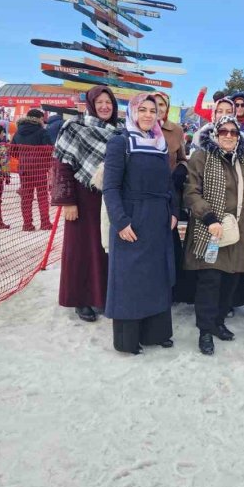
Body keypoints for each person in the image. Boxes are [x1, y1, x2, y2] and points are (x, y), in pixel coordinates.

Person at [102, 95, 178, 354]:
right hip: (132, 219)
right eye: (142, 110)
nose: (147, 115)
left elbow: (168, 183)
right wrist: (120, 221)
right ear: (133, 112)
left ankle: (155, 332)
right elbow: (110, 187)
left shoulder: (160, 143)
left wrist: (174, 211)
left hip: (158, 219)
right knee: (130, 279)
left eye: (152, 111)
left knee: (156, 277)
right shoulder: (119, 142)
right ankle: (128, 339)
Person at [183, 115, 244, 356]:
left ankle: (218, 322)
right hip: (211, 228)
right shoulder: (201, 157)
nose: (228, 135)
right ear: (215, 133)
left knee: (231, 279)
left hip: (238, 230)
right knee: (210, 281)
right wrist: (209, 218)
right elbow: (191, 192)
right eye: (223, 131)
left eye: (233, 132)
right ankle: (205, 329)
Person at [52, 86, 119, 322]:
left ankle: (99, 295)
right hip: (82, 198)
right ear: (91, 104)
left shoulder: (118, 132)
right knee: (80, 250)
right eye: (99, 102)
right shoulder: (74, 127)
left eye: (108, 102)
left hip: (108, 198)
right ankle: (80, 299)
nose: (104, 106)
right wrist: (67, 201)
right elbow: (62, 165)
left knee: (103, 248)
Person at [152, 91, 193, 304]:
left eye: (161, 104)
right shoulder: (139, 129)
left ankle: (173, 288)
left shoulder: (175, 130)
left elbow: (183, 158)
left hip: (169, 193)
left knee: (170, 238)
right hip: (146, 194)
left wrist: (181, 170)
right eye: (154, 104)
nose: (157, 108)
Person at [12, 109, 53, 231]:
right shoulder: (42, 131)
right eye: (42, 118)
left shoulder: (18, 132)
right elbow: (48, 149)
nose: (43, 121)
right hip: (39, 168)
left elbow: (12, 150)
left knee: (26, 197)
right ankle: (45, 223)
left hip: (24, 168)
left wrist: (23, 157)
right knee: (42, 196)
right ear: (38, 118)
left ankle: (27, 224)